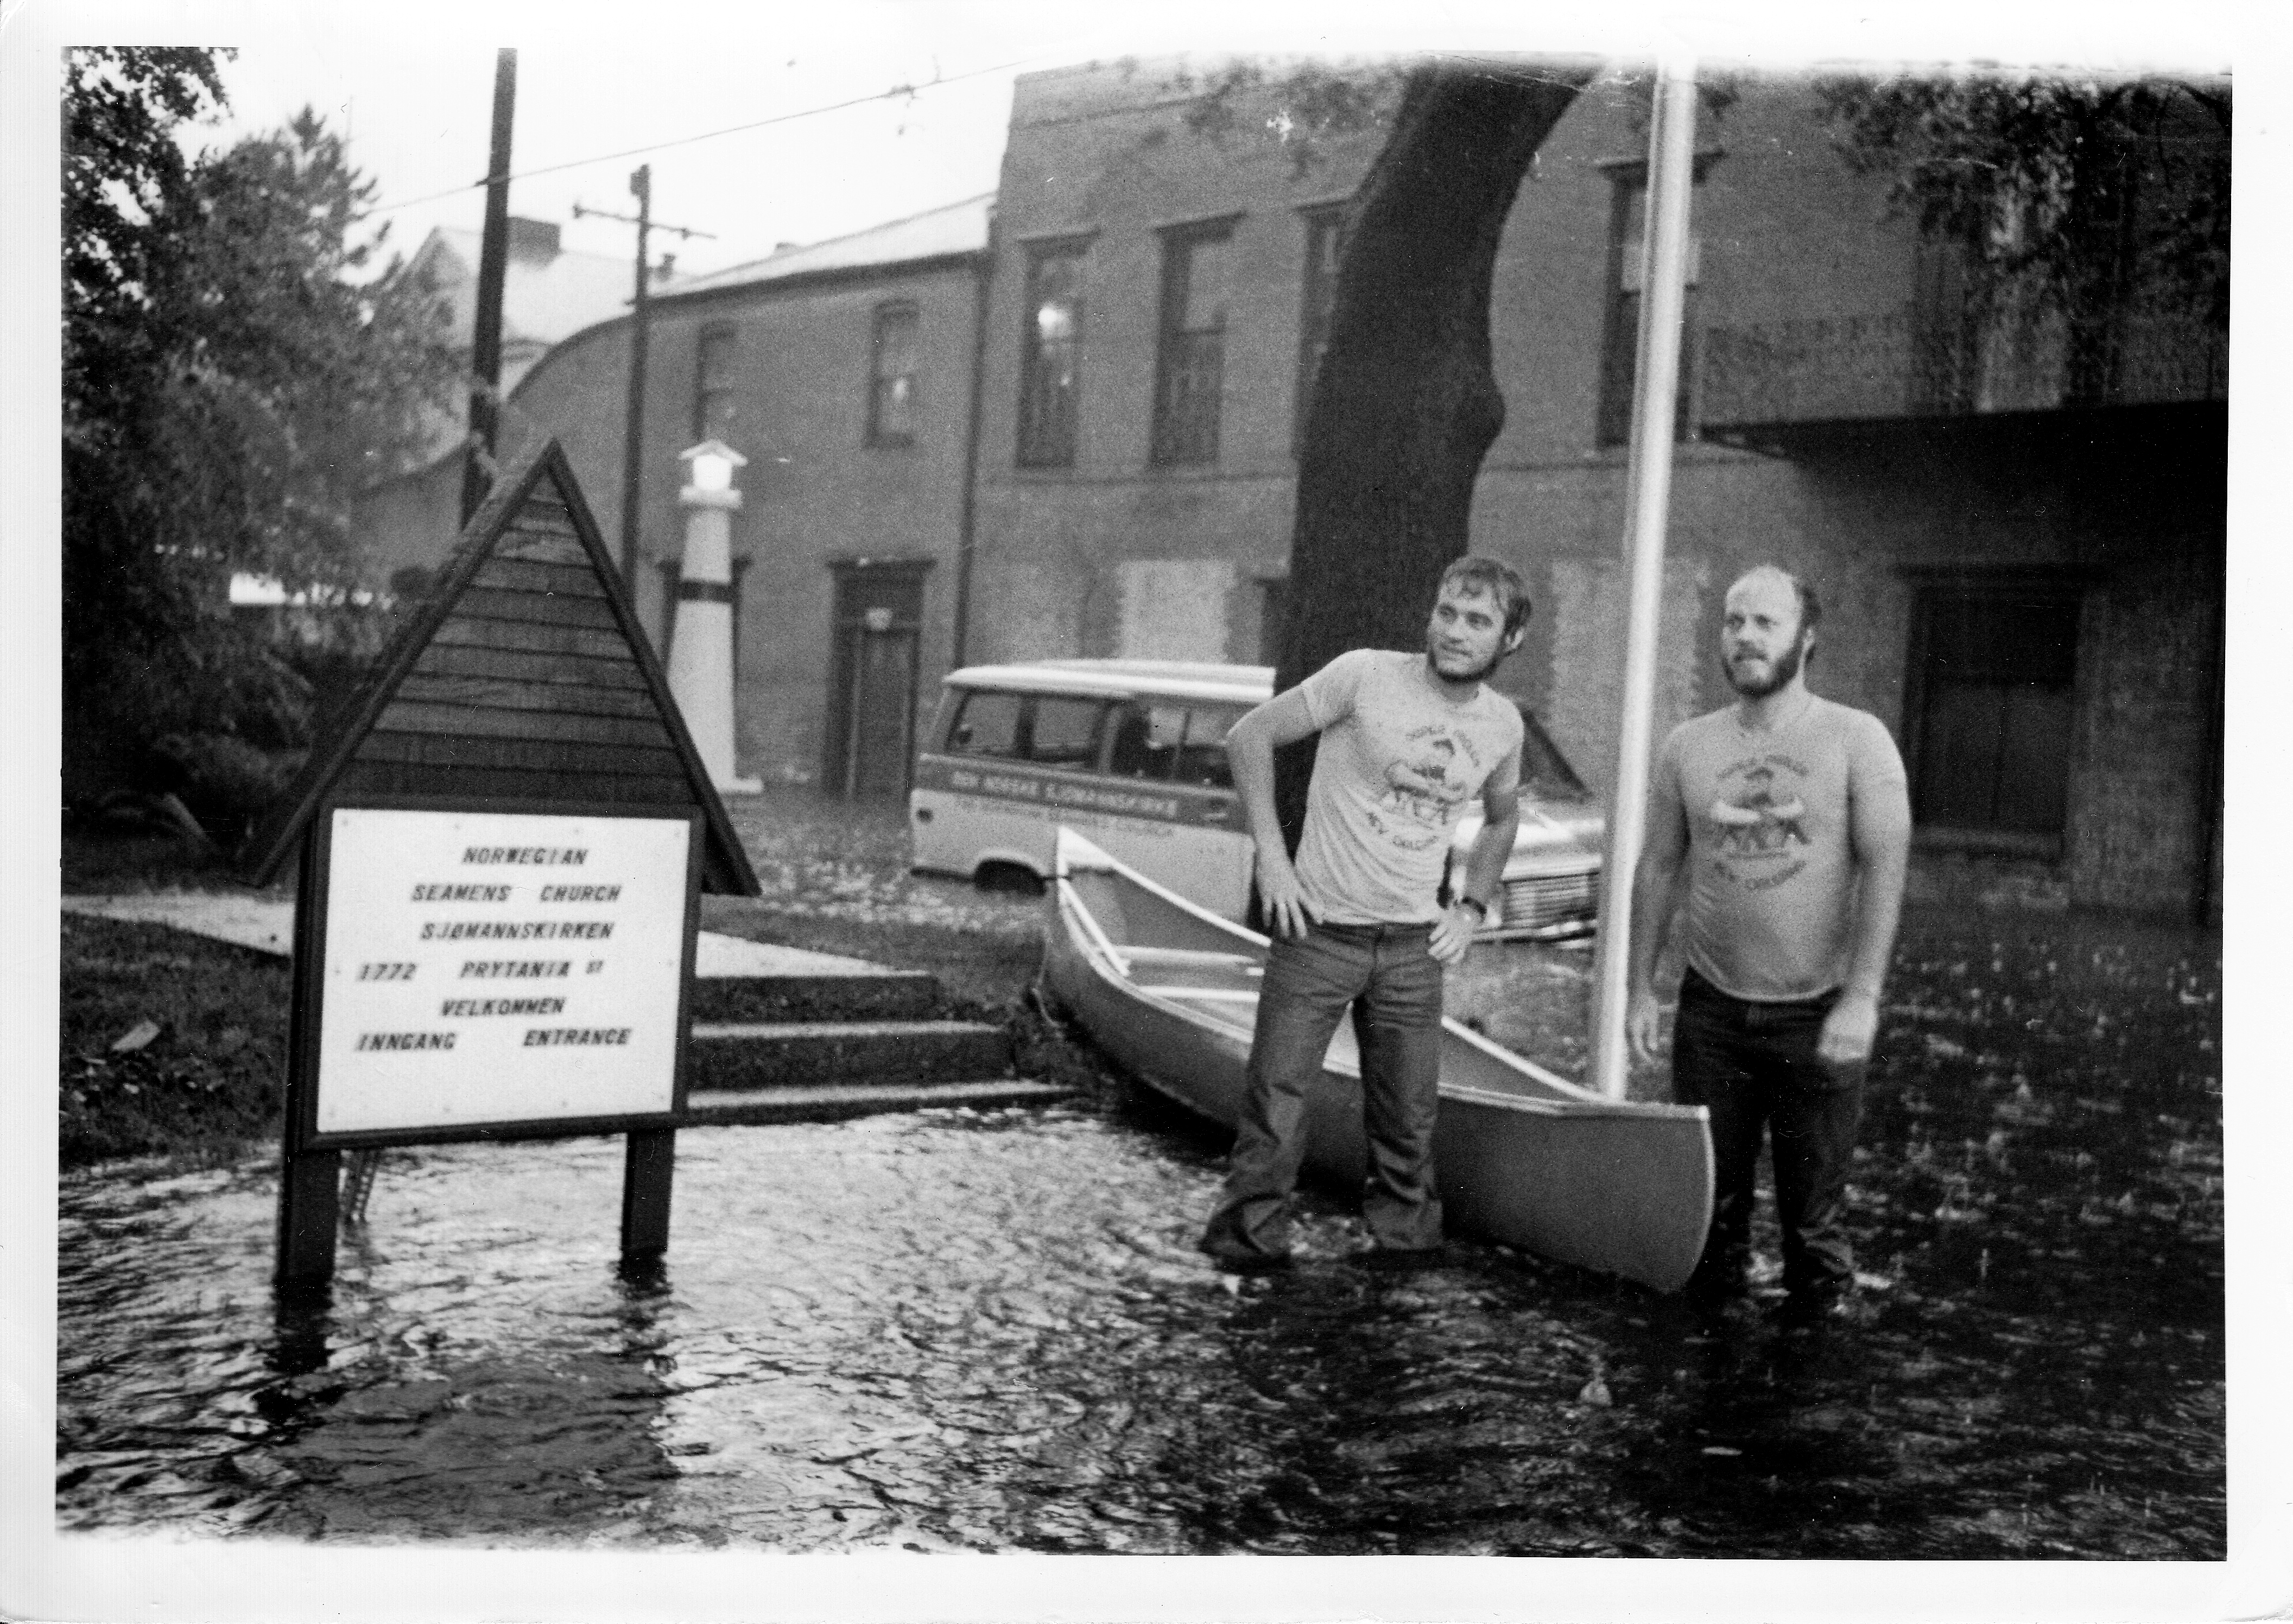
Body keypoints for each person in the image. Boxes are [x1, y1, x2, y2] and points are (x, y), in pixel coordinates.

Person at [1199, 557, 1530, 1274]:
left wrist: (1471, 906)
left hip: (1413, 948)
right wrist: (1273, 860)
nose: (1455, 630)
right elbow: (1248, 738)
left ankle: (1402, 1259)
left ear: (1510, 641)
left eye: (1478, 621)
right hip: (1319, 933)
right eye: (1448, 612)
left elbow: (1502, 820)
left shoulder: (1503, 726)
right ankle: (1249, 1255)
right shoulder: (1365, 675)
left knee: (1409, 1118)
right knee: (1278, 1103)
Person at [1625, 564, 1912, 1321]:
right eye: (1734, 621)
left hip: (1817, 1015)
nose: (1746, 637)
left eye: (1765, 623)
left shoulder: (1857, 739)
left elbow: (1887, 865)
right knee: (1708, 1228)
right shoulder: (1688, 745)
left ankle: (1808, 1415)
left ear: (1806, 639)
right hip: (1712, 1015)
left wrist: (1863, 998)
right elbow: (1657, 867)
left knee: (1813, 1234)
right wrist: (1638, 989)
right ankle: (1713, 1406)